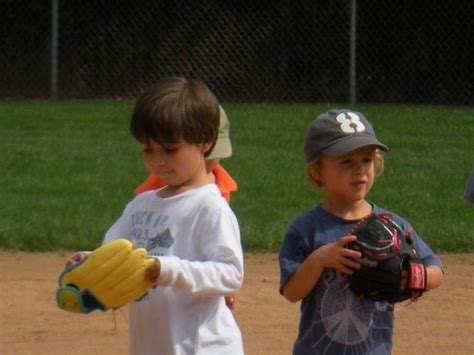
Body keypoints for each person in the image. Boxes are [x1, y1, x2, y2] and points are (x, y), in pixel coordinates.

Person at [67, 77, 244, 354]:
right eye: (148, 150)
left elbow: (230, 274)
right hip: (152, 344)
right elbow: (113, 253)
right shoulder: (141, 205)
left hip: (201, 347)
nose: (158, 160)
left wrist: (168, 270)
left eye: (170, 149)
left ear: (205, 142)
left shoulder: (210, 206)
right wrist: (89, 262)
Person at [278, 109, 444, 355]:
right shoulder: (307, 229)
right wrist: (319, 259)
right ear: (317, 171)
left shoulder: (391, 226)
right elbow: (292, 292)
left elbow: (436, 270)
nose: (360, 170)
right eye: (346, 161)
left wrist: (411, 276)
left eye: (366, 160)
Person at [134, 106, 238, 310]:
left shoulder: (217, 192)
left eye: (211, 157)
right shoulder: (153, 193)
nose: (205, 166)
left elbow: (224, 261)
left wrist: (222, 286)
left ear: (207, 144)